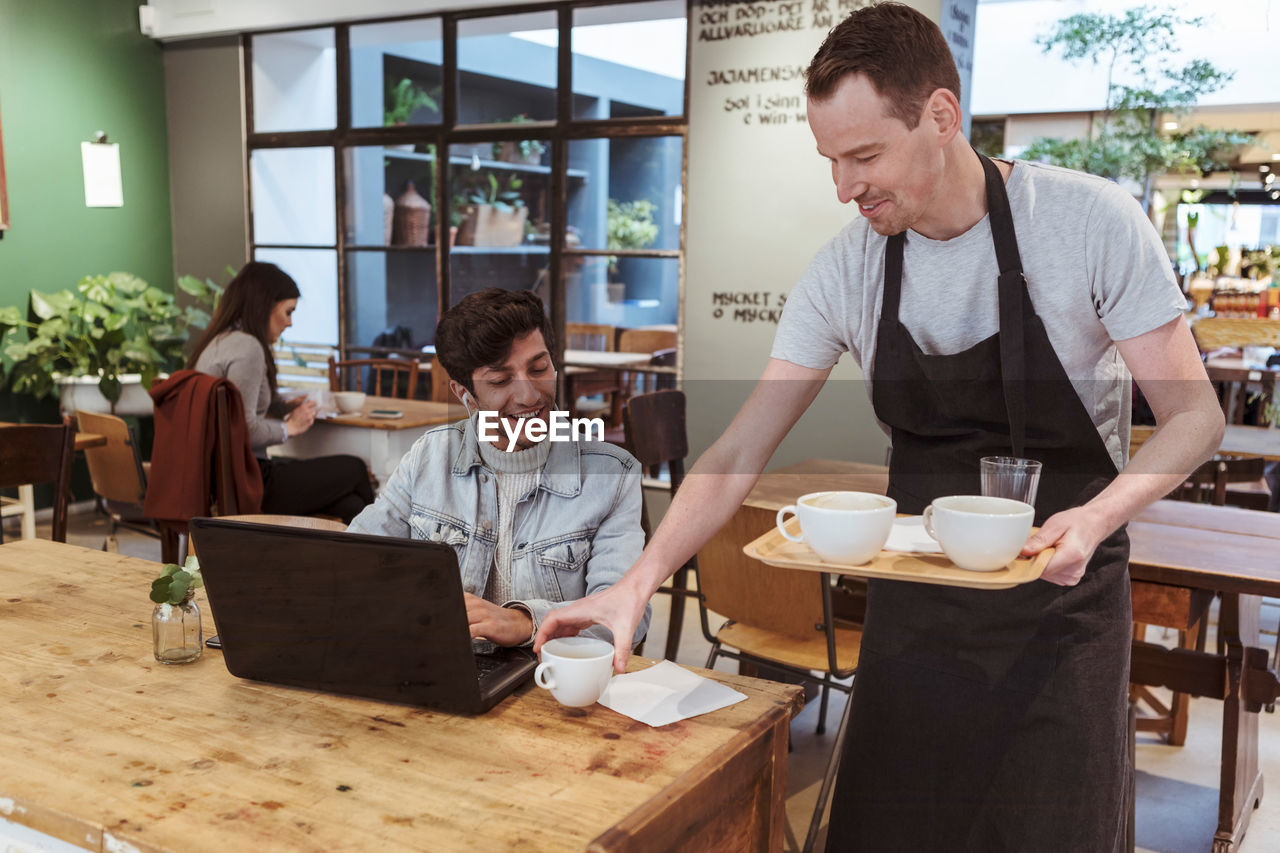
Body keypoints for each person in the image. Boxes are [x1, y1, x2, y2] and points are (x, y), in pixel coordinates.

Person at [535, 4, 1224, 851]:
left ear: (941, 116)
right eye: (830, 160)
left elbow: (1197, 417)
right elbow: (742, 446)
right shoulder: (850, 266)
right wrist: (638, 580)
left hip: (1061, 605)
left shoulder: (1088, 223)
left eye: (864, 156)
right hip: (916, 611)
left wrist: (1099, 515)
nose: (844, 187)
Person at [348, 288, 649, 648]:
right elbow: (356, 561)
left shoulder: (613, 475)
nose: (530, 396)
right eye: (500, 381)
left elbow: (624, 615)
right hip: (441, 671)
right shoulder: (429, 456)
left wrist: (523, 622)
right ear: (464, 394)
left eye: (539, 368)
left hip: (549, 682)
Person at [188, 261, 374, 523]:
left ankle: (373, 557)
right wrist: (290, 427)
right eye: (288, 312)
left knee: (350, 503)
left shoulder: (219, 342)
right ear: (265, 305)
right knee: (354, 468)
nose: (289, 322)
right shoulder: (248, 348)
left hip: (224, 479)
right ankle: (395, 551)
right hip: (251, 481)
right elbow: (244, 430)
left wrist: (280, 405)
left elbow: (234, 411)